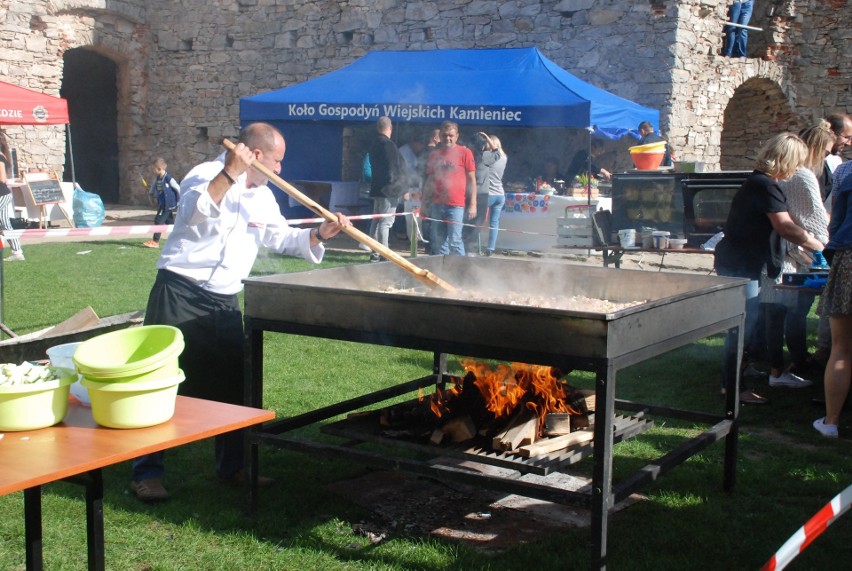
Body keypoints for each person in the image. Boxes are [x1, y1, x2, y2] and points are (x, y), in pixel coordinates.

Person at [130, 122, 351, 501]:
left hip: (225, 299)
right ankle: (145, 472)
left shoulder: (263, 196)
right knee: (163, 383)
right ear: (257, 156)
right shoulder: (204, 175)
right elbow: (195, 213)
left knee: (236, 385)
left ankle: (232, 466)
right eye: (277, 162)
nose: (280, 171)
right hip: (180, 292)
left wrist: (318, 235)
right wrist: (230, 172)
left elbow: (280, 236)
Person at [713, 132, 824, 405]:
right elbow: (784, 226)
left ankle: (736, 376)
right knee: (741, 327)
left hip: (740, 261)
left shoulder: (758, 182)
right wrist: (816, 243)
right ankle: (734, 387)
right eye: (796, 162)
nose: (797, 169)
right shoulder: (764, 185)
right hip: (741, 265)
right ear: (785, 160)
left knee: (744, 325)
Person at [759, 122, 833, 388]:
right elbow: (813, 221)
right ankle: (793, 363)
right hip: (793, 255)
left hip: (779, 252)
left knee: (777, 312)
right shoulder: (801, 176)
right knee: (792, 311)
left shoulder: (771, 178)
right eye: (825, 152)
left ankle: (777, 365)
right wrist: (821, 242)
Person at [814, 174, 852, 438]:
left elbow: (835, 224)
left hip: (849, 257)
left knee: (842, 348)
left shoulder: (849, 177)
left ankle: (831, 422)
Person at [422, 121, 476, 256]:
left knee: (455, 241)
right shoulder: (435, 155)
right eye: (445, 135)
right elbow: (430, 181)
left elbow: (472, 180)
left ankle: (462, 272)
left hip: (456, 205)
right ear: (440, 135)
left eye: (451, 135)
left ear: (457, 136)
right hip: (437, 204)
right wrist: (424, 204)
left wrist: (473, 204)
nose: (448, 138)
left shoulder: (465, 153)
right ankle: (442, 273)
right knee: (438, 242)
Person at [366, 116, 405, 262]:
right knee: (386, 222)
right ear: (390, 128)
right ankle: (384, 254)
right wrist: (399, 186)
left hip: (377, 188)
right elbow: (393, 168)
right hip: (388, 190)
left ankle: (375, 253)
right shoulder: (388, 145)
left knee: (376, 221)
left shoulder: (374, 143)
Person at [478, 133, 508, 257]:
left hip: (488, 193)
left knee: (477, 220)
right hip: (500, 194)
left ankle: (474, 245)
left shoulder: (488, 157)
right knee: (494, 223)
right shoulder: (504, 157)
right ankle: (490, 248)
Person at [143, 157, 181, 248]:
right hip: (162, 204)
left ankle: (155, 241)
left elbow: (178, 189)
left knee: (158, 220)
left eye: (154, 169)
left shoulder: (168, 178)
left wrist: (179, 201)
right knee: (170, 222)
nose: (153, 171)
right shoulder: (158, 178)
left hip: (167, 205)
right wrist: (151, 194)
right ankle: (179, 238)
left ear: (159, 169)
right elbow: (153, 186)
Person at [0, 129, 24, 262]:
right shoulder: (3, 156)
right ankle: (17, 253)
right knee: (5, 224)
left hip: (1, 195)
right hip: (4, 194)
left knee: (5, 224)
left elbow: (2, 178)